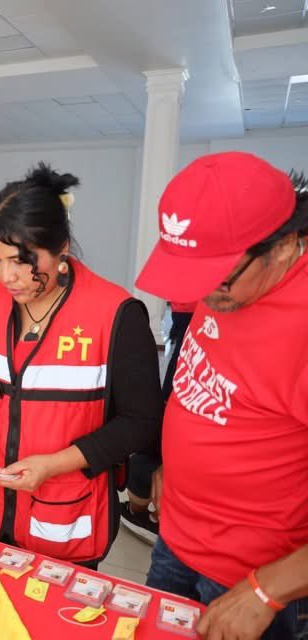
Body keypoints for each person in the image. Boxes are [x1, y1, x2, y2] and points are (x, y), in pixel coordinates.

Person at [0, 164, 162, 567]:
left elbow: (140, 422)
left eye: (23, 261)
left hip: (62, 521)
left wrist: (55, 465)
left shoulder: (116, 314)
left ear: (61, 250)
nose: (8, 276)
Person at [136, 152, 308, 640]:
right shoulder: (227, 283)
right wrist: (179, 466)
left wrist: (266, 589)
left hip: (253, 577)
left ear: (283, 245)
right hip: (176, 539)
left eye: (218, 279)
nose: (202, 295)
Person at [121, 298, 197, 544]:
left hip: (196, 315)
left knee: (169, 417)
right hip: (193, 315)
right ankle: (141, 509)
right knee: (168, 416)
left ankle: (142, 508)